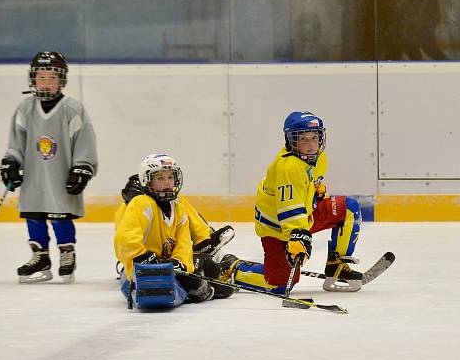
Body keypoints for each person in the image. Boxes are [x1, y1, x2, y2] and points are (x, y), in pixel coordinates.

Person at [219, 111, 363, 295]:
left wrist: (315, 191)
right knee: (278, 285)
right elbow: (290, 208)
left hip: (304, 219)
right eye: (303, 139)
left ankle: (337, 266)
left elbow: (306, 186)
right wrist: (298, 237)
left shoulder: (319, 158)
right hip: (277, 229)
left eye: (314, 137)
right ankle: (235, 268)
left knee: (348, 208)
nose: (311, 145)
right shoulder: (287, 166)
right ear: (291, 141)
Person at [0, 51, 98, 284]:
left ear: (62, 80)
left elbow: (85, 141)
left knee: (60, 214)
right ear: (32, 79)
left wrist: (82, 167)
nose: (46, 82)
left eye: (52, 77)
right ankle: (40, 255)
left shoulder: (72, 108)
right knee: (33, 214)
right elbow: (16, 143)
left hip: (60, 175)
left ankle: (67, 253)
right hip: (34, 176)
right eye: (41, 77)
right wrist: (11, 161)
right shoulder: (25, 108)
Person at [114, 153, 234, 304]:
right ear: (147, 181)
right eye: (160, 178)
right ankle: (205, 290)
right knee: (187, 284)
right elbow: (125, 236)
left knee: (206, 268)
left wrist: (180, 262)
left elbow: (183, 244)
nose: (167, 183)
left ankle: (206, 288)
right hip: (141, 269)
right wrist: (141, 257)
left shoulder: (177, 208)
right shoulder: (142, 203)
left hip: (167, 266)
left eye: (170, 177)